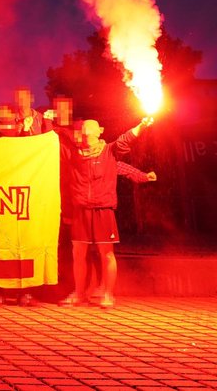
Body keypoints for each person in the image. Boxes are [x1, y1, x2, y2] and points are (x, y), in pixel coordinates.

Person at [59, 115, 155, 309]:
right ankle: (79, 294)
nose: (86, 130)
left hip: (103, 209)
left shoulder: (109, 151)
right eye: (83, 128)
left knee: (106, 253)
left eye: (90, 127)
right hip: (81, 209)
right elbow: (55, 140)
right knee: (78, 253)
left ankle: (108, 294)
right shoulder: (74, 154)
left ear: (99, 131)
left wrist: (142, 126)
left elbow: (125, 142)